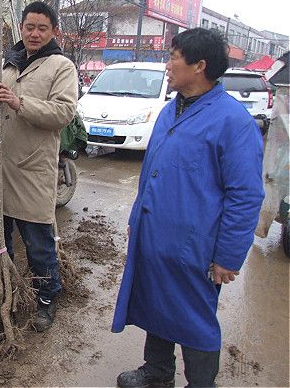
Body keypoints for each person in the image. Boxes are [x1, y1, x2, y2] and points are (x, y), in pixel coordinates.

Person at [111, 28, 264, 388]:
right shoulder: (169, 112)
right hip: (157, 237)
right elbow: (151, 173)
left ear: (199, 66)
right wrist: (137, 219)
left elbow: (245, 195)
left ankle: (200, 384)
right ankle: (157, 372)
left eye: (173, 57)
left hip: (196, 247)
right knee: (155, 305)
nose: (167, 65)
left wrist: (227, 255)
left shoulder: (233, 122)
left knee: (195, 320)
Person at [0, 1, 78, 332]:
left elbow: (63, 113)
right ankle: (8, 294)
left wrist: (18, 102)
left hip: (32, 170)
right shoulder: (8, 64)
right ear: (21, 28)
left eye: (42, 28)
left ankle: (47, 299)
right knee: (2, 242)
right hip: (0, 168)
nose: (35, 33)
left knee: (38, 243)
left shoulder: (60, 67)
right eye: (29, 27)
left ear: (53, 31)